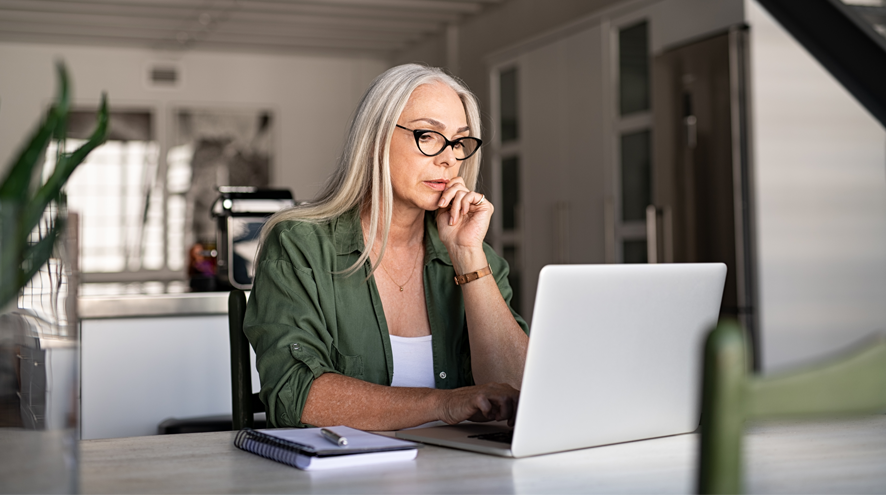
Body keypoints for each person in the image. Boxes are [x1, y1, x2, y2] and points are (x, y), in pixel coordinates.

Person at [244, 64, 529, 430]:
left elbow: (521, 392)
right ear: (376, 138)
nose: (449, 158)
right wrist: (445, 403)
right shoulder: (300, 245)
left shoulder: (475, 257)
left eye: (459, 142)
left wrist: (467, 256)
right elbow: (295, 396)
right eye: (428, 135)